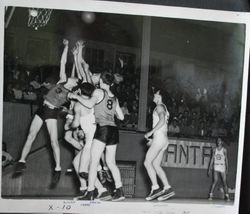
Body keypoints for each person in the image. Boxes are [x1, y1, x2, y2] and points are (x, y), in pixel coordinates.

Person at [14, 39, 80, 188]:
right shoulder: (63, 80)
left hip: (51, 112)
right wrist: (66, 47)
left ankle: (57, 168)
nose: (72, 75)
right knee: (31, 135)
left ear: (75, 83)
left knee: (53, 141)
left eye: (75, 78)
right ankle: (21, 162)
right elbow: (63, 63)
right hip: (42, 109)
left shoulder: (71, 93)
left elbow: (77, 74)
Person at [68, 71, 125, 201]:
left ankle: (90, 192)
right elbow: (121, 116)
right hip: (114, 130)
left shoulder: (99, 92)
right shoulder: (114, 97)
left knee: (93, 162)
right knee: (111, 162)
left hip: (103, 129)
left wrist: (75, 97)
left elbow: (89, 104)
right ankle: (119, 190)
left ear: (100, 81)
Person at [144, 88, 175, 201]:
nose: (154, 95)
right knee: (156, 165)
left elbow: (161, 121)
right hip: (163, 139)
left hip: (160, 138)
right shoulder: (164, 107)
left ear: (160, 96)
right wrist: (154, 138)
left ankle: (156, 188)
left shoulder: (159, 107)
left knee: (147, 163)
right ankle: (167, 188)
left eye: (156, 94)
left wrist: (151, 133)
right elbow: (163, 125)